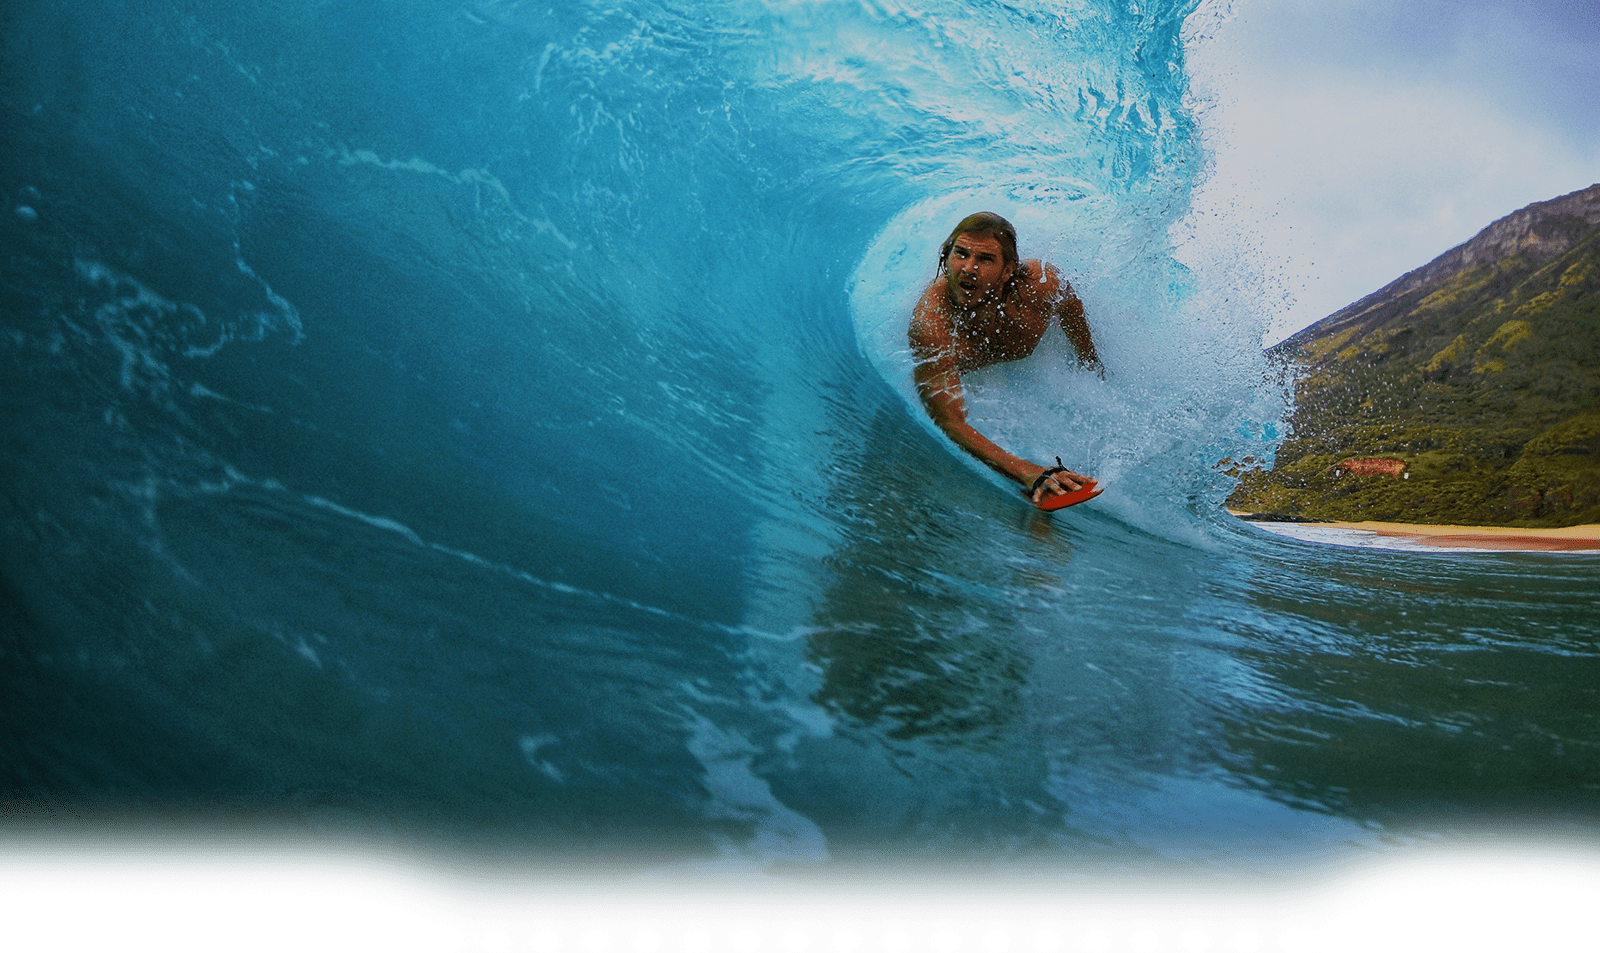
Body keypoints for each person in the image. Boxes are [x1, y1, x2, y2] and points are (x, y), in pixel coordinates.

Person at [908, 211, 1102, 504]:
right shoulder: (932, 323)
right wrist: (1029, 472)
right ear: (946, 256)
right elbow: (950, 420)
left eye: (985, 259)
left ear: (1008, 269)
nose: (969, 268)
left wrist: (1091, 364)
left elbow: (1071, 308)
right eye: (960, 254)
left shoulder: (1041, 284)